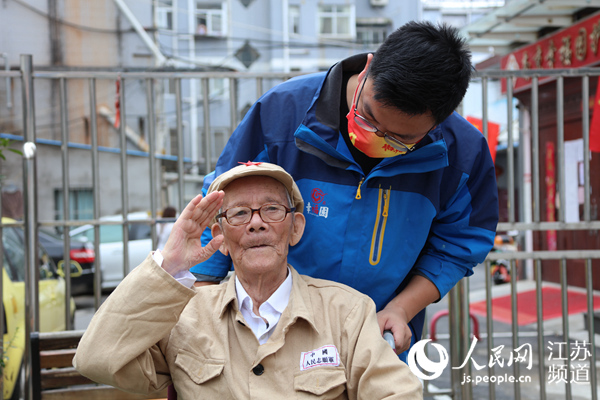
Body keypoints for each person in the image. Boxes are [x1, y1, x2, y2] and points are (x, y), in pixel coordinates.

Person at [190, 20, 499, 360]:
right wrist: (204, 294)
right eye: (368, 118)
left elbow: (458, 245)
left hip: (375, 336)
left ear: (439, 121)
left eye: (400, 139)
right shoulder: (282, 113)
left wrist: (401, 309)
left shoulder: (461, 154)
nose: (376, 140)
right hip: (270, 328)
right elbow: (222, 202)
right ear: (367, 69)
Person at [73, 162, 423, 399]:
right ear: (220, 238)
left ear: (296, 228)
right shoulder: (186, 316)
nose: (256, 223)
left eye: (271, 209)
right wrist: (170, 265)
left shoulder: (346, 311)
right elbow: (96, 360)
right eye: (240, 213)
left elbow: (398, 393)